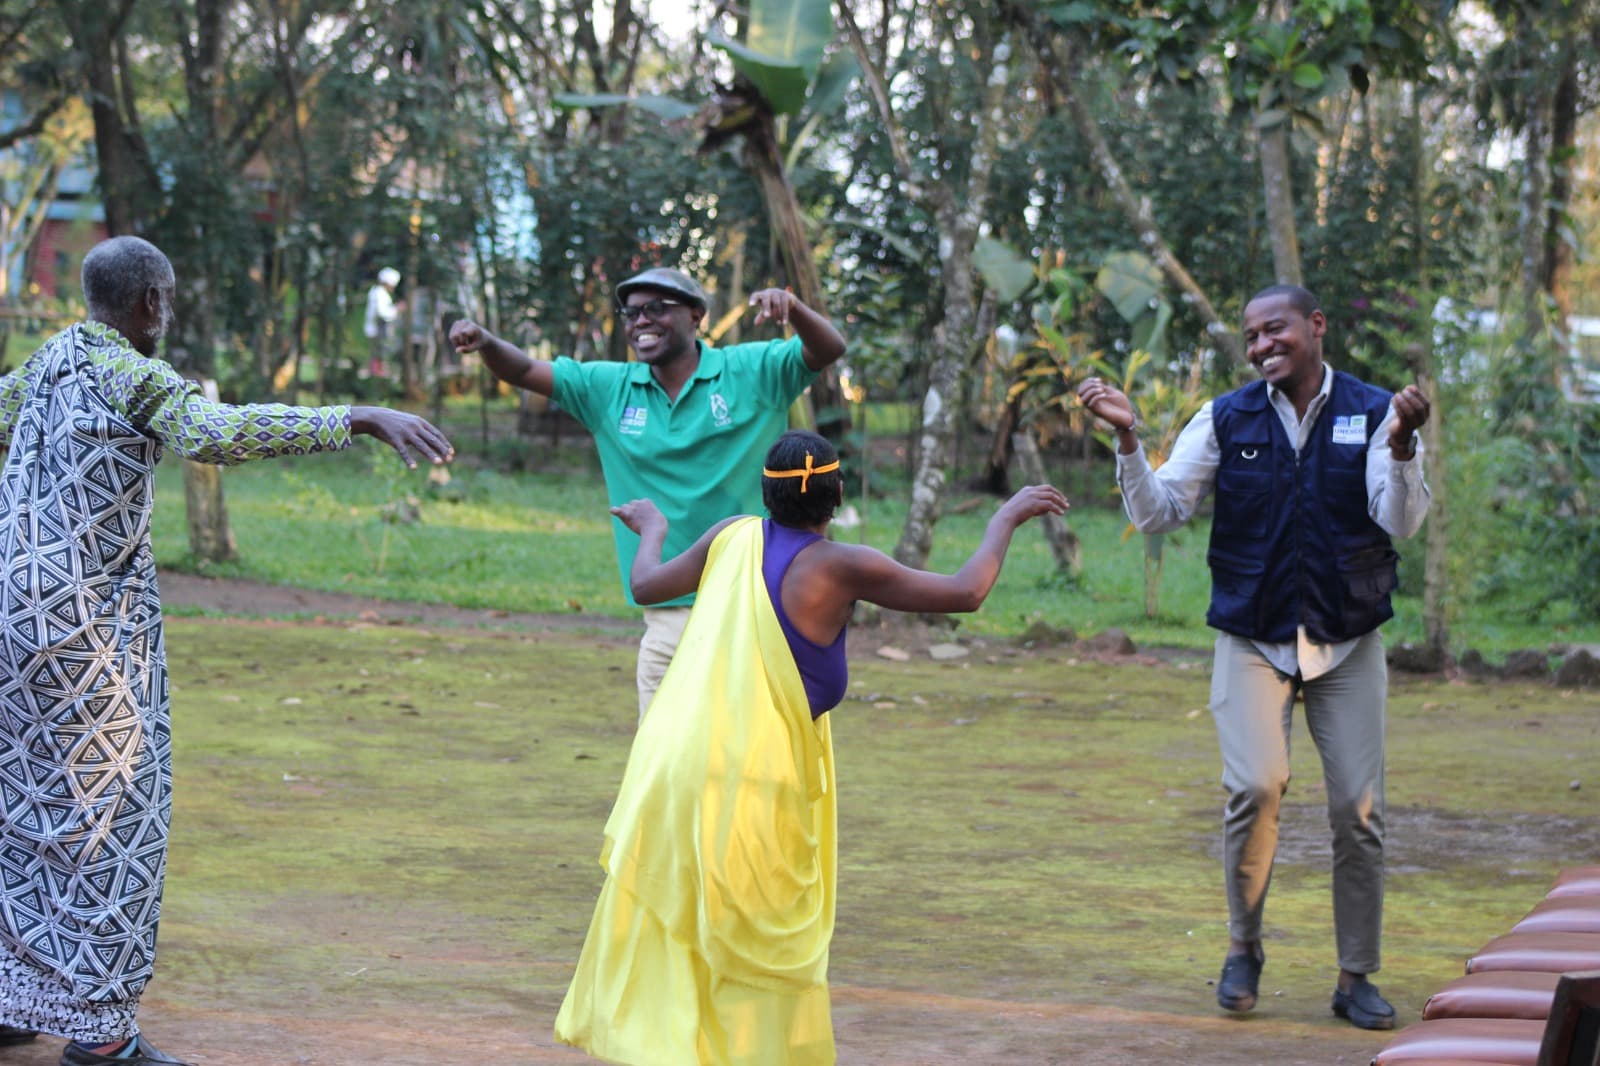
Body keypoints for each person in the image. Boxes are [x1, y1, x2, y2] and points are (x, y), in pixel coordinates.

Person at [0, 236, 453, 1066]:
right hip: (84, 639)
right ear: (151, 304)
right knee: (113, 817)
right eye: (165, 299)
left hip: (11, 623)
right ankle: (99, 1038)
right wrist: (353, 416)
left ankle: (14, 997)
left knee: (24, 809)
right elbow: (215, 431)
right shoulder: (134, 375)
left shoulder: (47, 362)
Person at [553, 429, 1068, 1065]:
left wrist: (653, 525)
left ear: (764, 495)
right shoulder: (842, 565)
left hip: (679, 766)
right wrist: (1005, 514)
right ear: (838, 494)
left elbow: (647, 586)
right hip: (750, 781)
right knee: (757, 940)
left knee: (695, 926)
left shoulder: (730, 535)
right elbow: (966, 592)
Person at [1077, 284, 1432, 1032]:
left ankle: (1354, 975)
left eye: (1276, 329)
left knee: (1358, 812)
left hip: (1347, 639)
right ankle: (1244, 946)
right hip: (1252, 637)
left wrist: (1400, 446)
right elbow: (1157, 511)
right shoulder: (1227, 416)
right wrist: (1129, 443)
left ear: (1317, 324)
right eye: (1251, 336)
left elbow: (1397, 519)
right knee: (1256, 786)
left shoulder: (1375, 414)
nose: (1262, 344)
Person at [449, 268, 846, 720]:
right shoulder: (608, 389)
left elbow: (828, 348)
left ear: (696, 314)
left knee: (748, 758)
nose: (641, 321)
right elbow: (521, 369)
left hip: (754, 611)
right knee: (663, 767)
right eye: (631, 313)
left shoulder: (752, 372)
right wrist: (485, 342)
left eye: (656, 309)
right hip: (668, 619)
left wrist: (793, 310)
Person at [363, 266, 402, 378]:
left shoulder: (378, 292)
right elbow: (383, 313)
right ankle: (377, 376)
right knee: (379, 354)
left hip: (377, 329)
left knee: (378, 354)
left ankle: (377, 375)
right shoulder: (379, 293)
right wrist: (397, 309)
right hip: (378, 330)